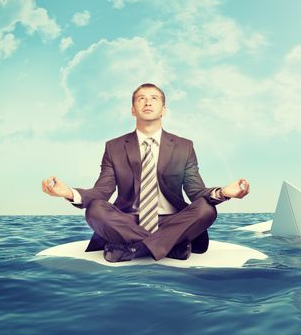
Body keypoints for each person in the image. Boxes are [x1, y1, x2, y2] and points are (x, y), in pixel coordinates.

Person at [42, 83, 249, 263]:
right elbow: (102, 191)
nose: (148, 103)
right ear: (133, 110)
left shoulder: (184, 146)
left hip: (172, 220)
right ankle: (170, 246)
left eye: (154, 99)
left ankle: (132, 248)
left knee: (206, 209)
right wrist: (68, 193)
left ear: (164, 110)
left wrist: (223, 193)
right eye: (141, 99)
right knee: (95, 209)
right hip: (128, 221)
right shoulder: (114, 147)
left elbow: (195, 191)